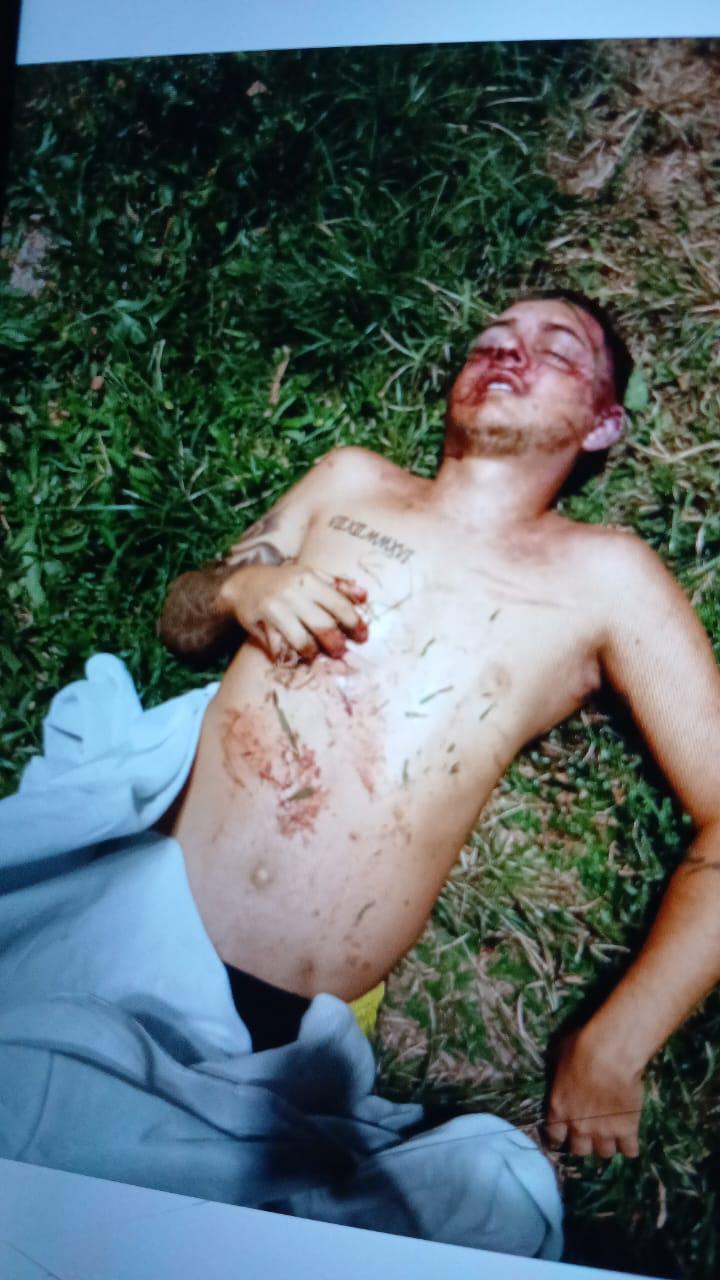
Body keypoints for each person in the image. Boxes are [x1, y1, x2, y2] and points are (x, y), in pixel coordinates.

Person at [158, 290, 720, 1163]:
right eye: (491, 338)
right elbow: (181, 620)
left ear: (605, 423)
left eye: (556, 350)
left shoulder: (608, 577)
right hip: (123, 915)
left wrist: (616, 1044)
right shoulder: (350, 481)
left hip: (276, 1031)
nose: (507, 352)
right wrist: (241, 588)